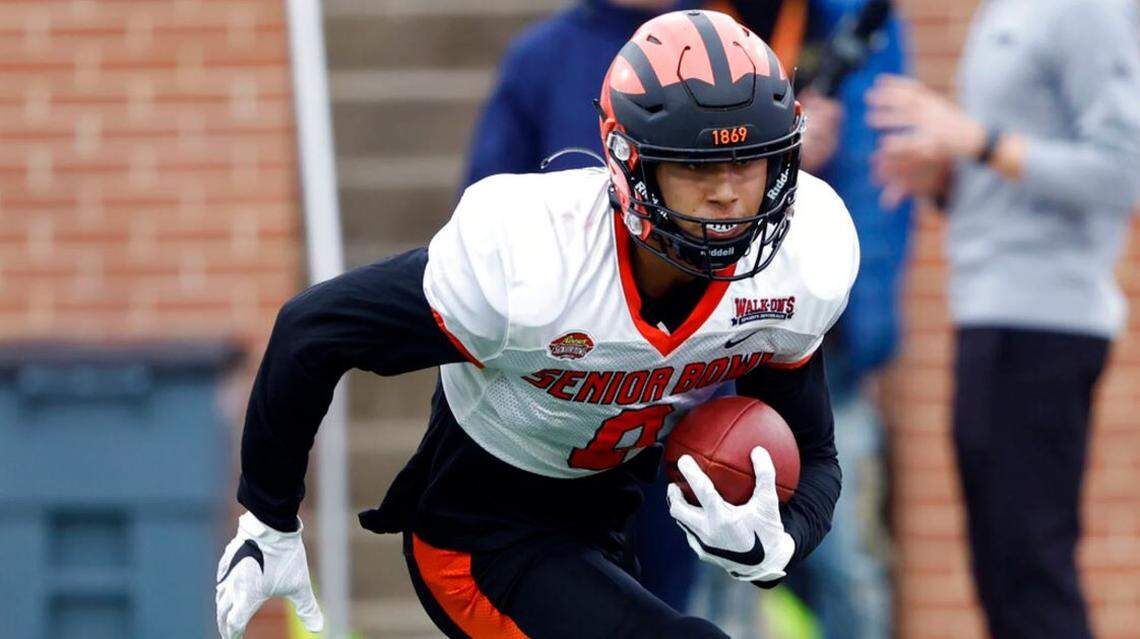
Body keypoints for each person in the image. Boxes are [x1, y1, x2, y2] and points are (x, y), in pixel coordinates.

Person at [215, 10, 860, 639]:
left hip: (610, 519)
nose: (727, 193)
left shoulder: (800, 262)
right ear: (629, 162)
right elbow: (313, 328)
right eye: (695, 165)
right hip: (481, 536)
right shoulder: (535, 259)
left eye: (747, 163)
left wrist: (780, 541)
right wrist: (269, 517)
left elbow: (818, 453)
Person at [866, 1, 1140, 637]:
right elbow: (1013, 172)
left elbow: (1121, 171)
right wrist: (949, 179)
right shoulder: (1004, 11)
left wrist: (979, 143)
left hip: (1047, 322)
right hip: (989, 313)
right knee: (1000, 576)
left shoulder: (1086, 10)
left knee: (1031, 577)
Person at [462, 0, 705, 610]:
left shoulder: (718, 49)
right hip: (567, 402)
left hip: (685, 405)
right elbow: (482, 230)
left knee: (676, 606)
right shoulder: (543, 59)